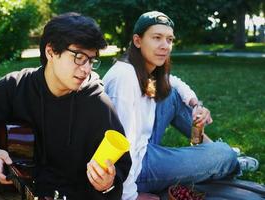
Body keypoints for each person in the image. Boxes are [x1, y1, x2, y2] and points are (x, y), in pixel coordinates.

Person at [0, 12, 131, 200]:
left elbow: (121, 164)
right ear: (51, 51)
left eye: (91, 60)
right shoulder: (14, 86)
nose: (86, 69)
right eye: (79, 57)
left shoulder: (98, 105)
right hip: (13, 192)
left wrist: (107, 183)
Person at [102, 11, 259, 200]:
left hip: (143, 147)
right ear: (137, 40)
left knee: (172, 95)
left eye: (169, 39)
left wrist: (195, 105)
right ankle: (229, 162)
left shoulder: (142, 67)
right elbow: (123, 146)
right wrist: (129, 196)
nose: (165, 46)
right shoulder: (125, 78)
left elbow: (174, 82)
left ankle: (208, 151)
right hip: (136, 167)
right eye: (157, 38)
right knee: (223, 154)